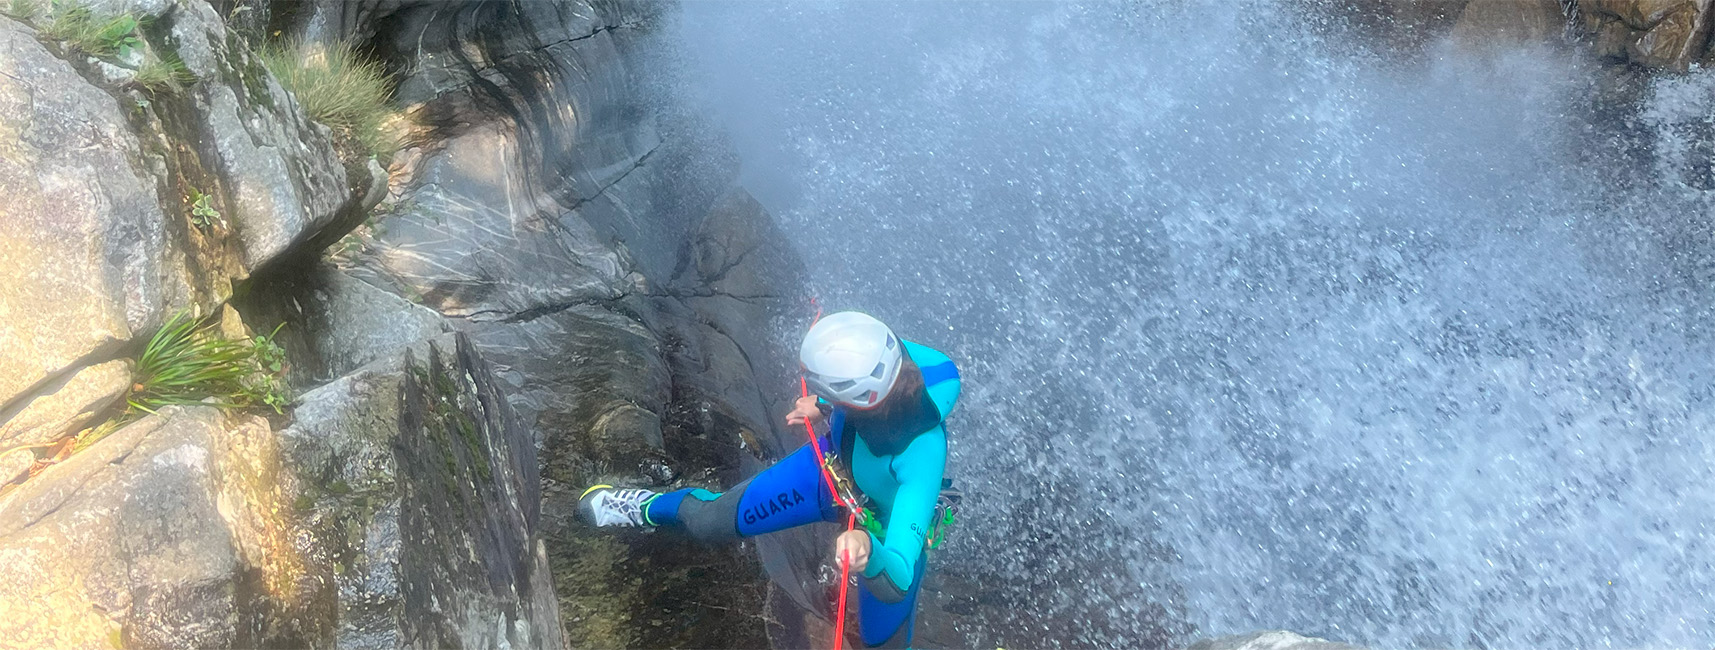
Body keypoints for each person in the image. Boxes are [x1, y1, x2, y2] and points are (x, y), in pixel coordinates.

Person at [578, 311, 960, 649]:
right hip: (830, 474)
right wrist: (825, 405)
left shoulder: (921, 456)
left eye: (825, 390)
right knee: (711, 521)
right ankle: (643, 507)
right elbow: (866, 388)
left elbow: (898, 579)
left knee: (885, 643)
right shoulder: (886, 354)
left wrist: (867, 548)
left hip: (879, 524)